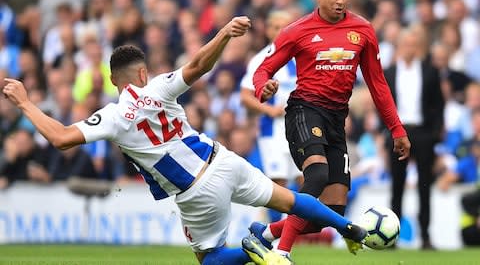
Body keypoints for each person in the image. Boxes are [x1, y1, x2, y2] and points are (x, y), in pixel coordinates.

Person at [3, 16, 367, 265]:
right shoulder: (160, 86)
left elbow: (62, 138)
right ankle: (349, 227)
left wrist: (25, 102)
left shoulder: (113, 116)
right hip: (224, 159)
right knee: (292, 201)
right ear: (143, 73)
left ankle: (254, 246)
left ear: (115, 81)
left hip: (195, 192)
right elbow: (197, 66)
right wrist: (224, 33)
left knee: (211, 259)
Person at [250, 0, 411, 258]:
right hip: (304, 110)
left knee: (330, 212)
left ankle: (267, 232)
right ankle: (281, 253)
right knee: (318, 174)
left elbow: (378, 84)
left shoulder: (362, 30)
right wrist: (264, 86)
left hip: (337, 118)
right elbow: (262, 70)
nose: (340, 0)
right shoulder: (297, 31)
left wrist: (397, 128)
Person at [384, 27, 444, 249]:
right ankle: (391, 236)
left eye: (413, 44)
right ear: (399, 46)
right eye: (406, 44)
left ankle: (426, 236)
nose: (410, 48)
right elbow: (382, 105)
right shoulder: (389, 72)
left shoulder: (430, 71)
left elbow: (438, 105)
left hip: (423, 133)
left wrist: (434, 134)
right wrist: (386, 133)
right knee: (397, 185)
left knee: (424, 185)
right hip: (397, 132)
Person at [240, 10, 303, 223]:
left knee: (305, 179)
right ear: (268, 30)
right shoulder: (260, 59)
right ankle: (276, 228)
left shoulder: (301, 57)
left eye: (285, 27)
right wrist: (269, 110)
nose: (280, 31)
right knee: (278, 182)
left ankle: (300, 230)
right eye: (276, 27)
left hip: (299, 127)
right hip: (272, 130)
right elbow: (245, 96)